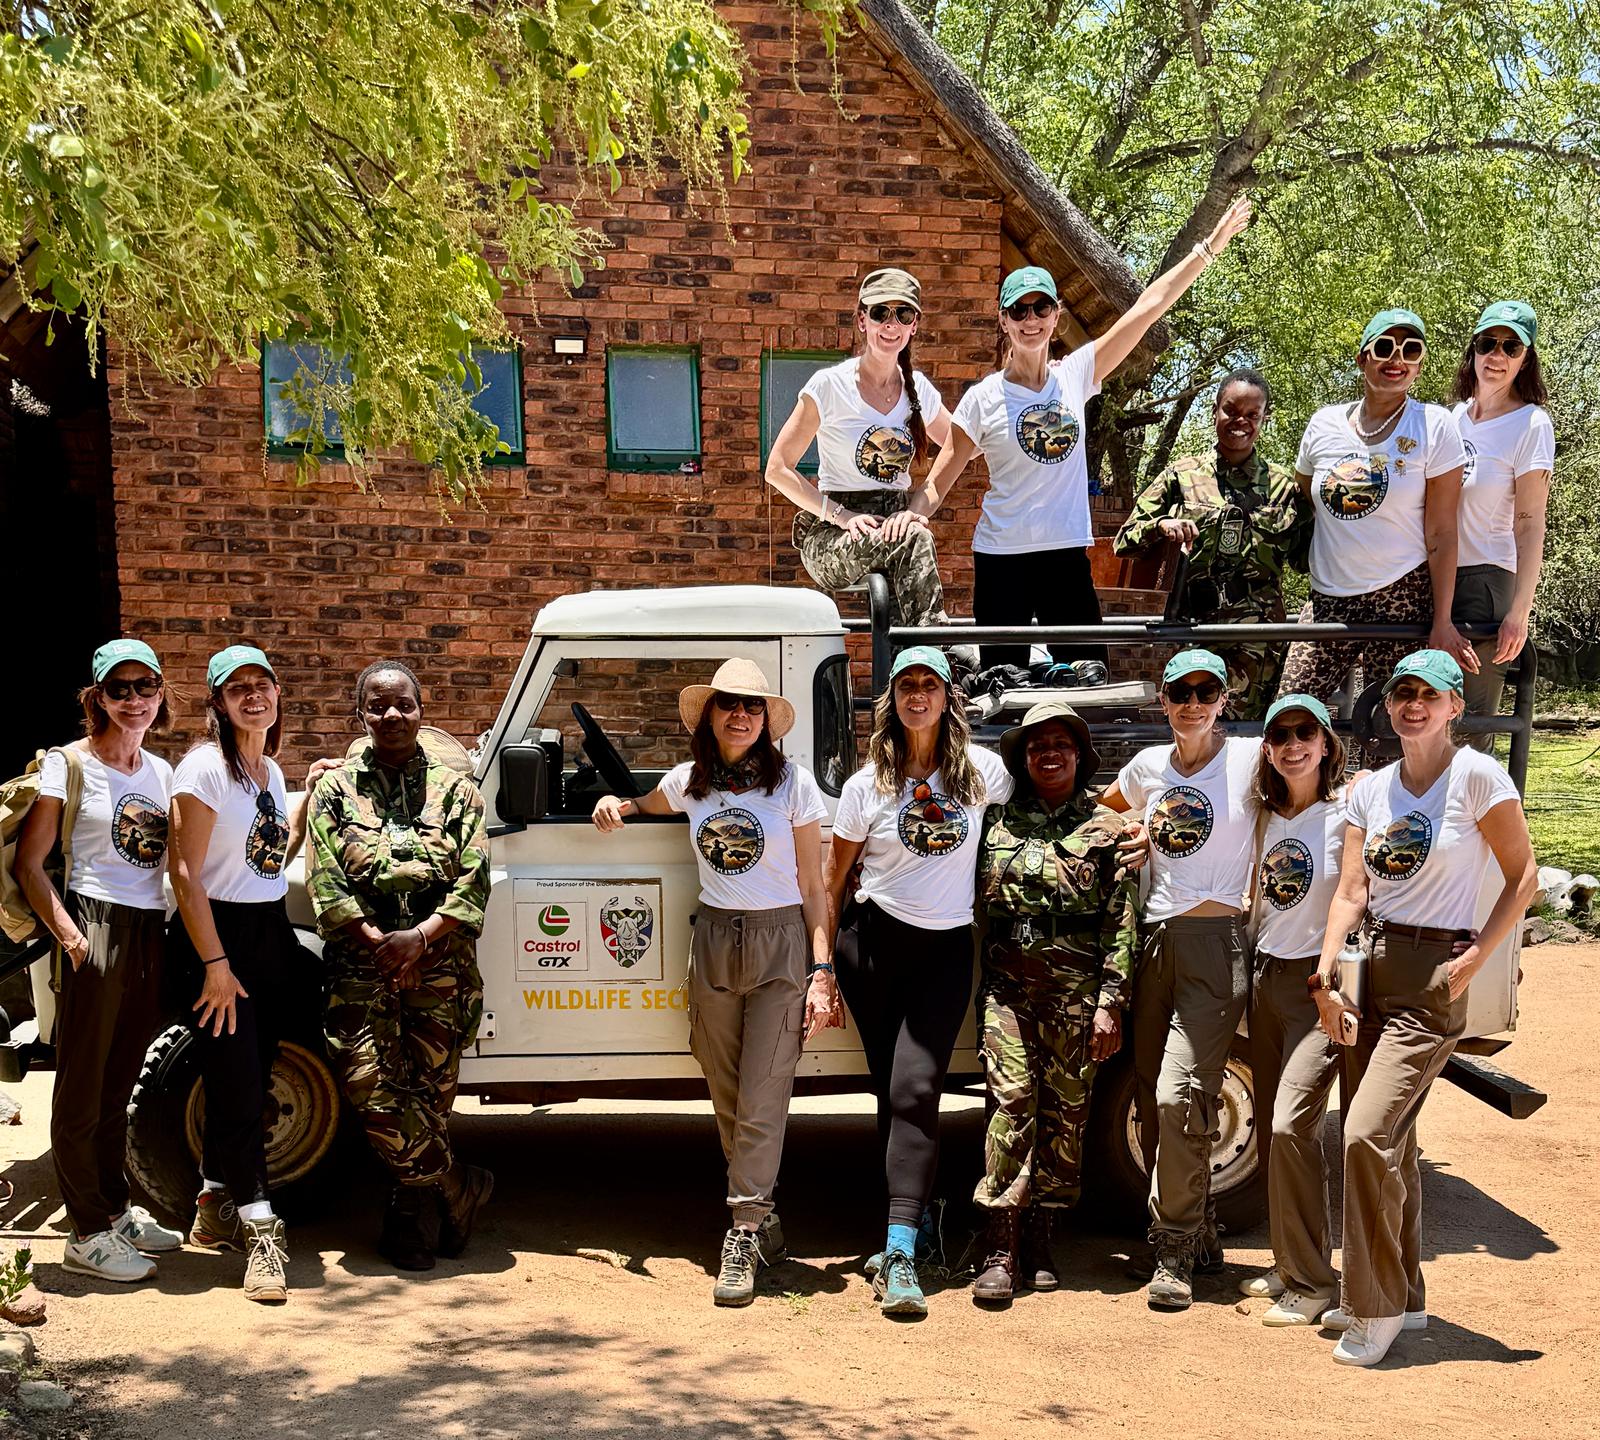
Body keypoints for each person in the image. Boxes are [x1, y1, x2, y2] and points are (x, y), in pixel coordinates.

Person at [911, 196, 1254, 671]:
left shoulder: (1076, 374)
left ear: (1057, 316)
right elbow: (938, 481)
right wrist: (907, 517)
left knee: (1089, 678)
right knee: (1003, 685)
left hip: (1065, 555)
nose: (1030, 320)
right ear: (1003, 320)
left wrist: (1208, 248)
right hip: (1001, 558)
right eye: (1018, 311)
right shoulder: (983, 398)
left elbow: (1146, 309)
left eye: (1040, 308)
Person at [591, 659, 838, 1308]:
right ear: (710, 716)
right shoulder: (689, 782)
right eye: (729, 704)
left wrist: (821, 971)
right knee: (726, 1088)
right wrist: (616, 804)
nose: (741, 715)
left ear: (767, 721)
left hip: (780, 941)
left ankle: (744, 1229)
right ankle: (763, 1211)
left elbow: (815, 887)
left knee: (763, 1092)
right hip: (715, 941)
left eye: (753, 707)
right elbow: (644, 802)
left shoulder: (793, 786)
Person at [1311, 650, 1535, 1366]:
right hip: (1369, 970)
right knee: (1395, 1143)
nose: (1413, 704)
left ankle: (1371, 1307)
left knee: (1364, 1135)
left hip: (1434, 975)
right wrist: (1327, 969)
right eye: (1402, 692)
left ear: (1453, 706)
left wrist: (1477, 957)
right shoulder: (1372, 790)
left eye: (1428, 694)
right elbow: (1352, 890)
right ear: (1388, 705)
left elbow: (1523, 875)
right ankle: (1404, 1298)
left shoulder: (1477, 776)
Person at [827, 645, 1014, 1317]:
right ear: (892, 700)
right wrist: (823, 966)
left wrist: (1126, 824)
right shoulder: (865, 786)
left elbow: (1050, 804)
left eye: (928, 684)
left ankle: (900, 1255)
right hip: (871, 949)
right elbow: (834, 882)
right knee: (892, 1090)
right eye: (905, 684)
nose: (917, 694)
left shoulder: (983, 773)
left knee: (916, 1088)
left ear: (946, 698)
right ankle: (916, 1221)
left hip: (944, 951)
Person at [307, 661, 493, 1273]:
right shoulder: (335, 790)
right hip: (362, 961)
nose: (391, 715)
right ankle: (457, 1183)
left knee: (430, 1092)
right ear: (360, 714)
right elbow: (326, 880)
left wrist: (418, 939)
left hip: (439, 960)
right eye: (377, 706)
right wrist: (381, 944)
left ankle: (409, 1218)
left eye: (403, 704)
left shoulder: (457, 790)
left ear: (420, 709)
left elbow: (474, 878)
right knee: (369, 1083)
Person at [15, 639, 182, 1283]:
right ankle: (85, 1231)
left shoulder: (161, 772)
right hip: (95, 921)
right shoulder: (68, 764)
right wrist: (73, 938)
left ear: (161, 693)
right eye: (119, 688)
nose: (134, 699)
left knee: (122, 1081)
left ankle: (113, 1210)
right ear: (98, 698)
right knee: (82, 1085)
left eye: (146, 686)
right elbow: (31, 864)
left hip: (148, 929)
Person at [1099, 649, 1259, 1310]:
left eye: (1206, 691)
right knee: (1148, 1094)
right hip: (1153, 941)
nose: (1193, 703)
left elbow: (1318, 790)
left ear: (1223, 700)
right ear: (1162, 700)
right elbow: (1102, 810)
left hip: (1216, 944)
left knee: (1180, 1094)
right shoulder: (1147, 767)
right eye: (1180, 692)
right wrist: (1130, 828)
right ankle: (1202, 1226)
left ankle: (1171, 1250)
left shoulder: (1249, 761)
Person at [969, 702, 1136, 1304]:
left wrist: (1111, 1001)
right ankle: (1001, 1241)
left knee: (1067, 1113)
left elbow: (1121, 919)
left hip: (1077, 994)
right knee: (1011, 1101)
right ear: (1022, 759)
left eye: (1061, 744)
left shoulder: (1109, 829)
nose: (1049, 754)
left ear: (1080, 756)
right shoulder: (993, 822)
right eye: (1037, 745)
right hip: (1008, 990)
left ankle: (1042, 1236)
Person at [169, 645, 308, 1303]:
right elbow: (185, 873)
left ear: (278, 693)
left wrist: (305, 804)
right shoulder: (204, 769)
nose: (253, 696)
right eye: (237, 689)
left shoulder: (269, 771)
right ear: (219, 704)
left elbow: (267, 859)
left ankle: (212, 1206)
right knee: (238, 1087)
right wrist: (215, 965)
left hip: (268, 933)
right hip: (218, 939)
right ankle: (260, 1232)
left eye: (263, 684)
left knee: (253, 1075)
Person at [1278, 309, 1474, 707]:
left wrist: (1442, 621)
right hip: (1329, 596)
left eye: (1410, 350)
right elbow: (1306, 496)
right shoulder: (1323, 424)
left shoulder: (1434, 425)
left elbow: (1441, 532)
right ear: (1362, 358)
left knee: (1391, 722)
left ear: (1419, 364)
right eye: (1385, 347)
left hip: (1401, 596)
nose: (1396, 359)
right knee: (1292, 710)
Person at [1236, 694, 1348, 1326]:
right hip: (1267, 977)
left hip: (1317, 987)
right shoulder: (1265, 816)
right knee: (1276, 1139)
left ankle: (1312, 1282)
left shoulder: (1348, 813)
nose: (1294, 744)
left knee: (1290, 1127)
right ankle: (1288, 1262)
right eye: (1281, 735)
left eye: (1307, 732)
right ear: (1268, 749)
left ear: (1326, 744)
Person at [1113, 369, 1311, 716]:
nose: (1240, 421)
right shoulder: (1182, 475)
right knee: (1194, 724)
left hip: (1258, 637)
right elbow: (1123, 542)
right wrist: (1161, 526)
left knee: (1249, 734)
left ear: (1264, 418)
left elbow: (1309, 559)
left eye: (1252, 414)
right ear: (1214, 411)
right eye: (1230, 410)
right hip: (1194, 629)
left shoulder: (1285, 488)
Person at [765, 268, 956, 630]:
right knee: (916, 537)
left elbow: (962, 446)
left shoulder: (918, 390)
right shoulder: (829, 386)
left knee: (899, 632)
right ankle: (939, 643)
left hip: (894, 527)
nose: (891, 324)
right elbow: (777, 468)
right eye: (881, 312)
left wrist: (919, 505)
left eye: (903, 314)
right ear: (862, 321)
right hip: (834, 534)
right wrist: (841, 515)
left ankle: (917, 658)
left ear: (914, 325)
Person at [1450, 300, 1554, 749]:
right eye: (1488, 343)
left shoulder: (1530, 423)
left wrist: (1519, 613)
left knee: (1470, 726)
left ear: (1525, 359)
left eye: (1511, 347)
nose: (1497, 355)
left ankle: (1478, 797)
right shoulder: (1452, 418)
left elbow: (1530, 524)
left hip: (1486, 580)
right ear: (1473, 349)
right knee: (1421, 715)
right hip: (1433, 577)